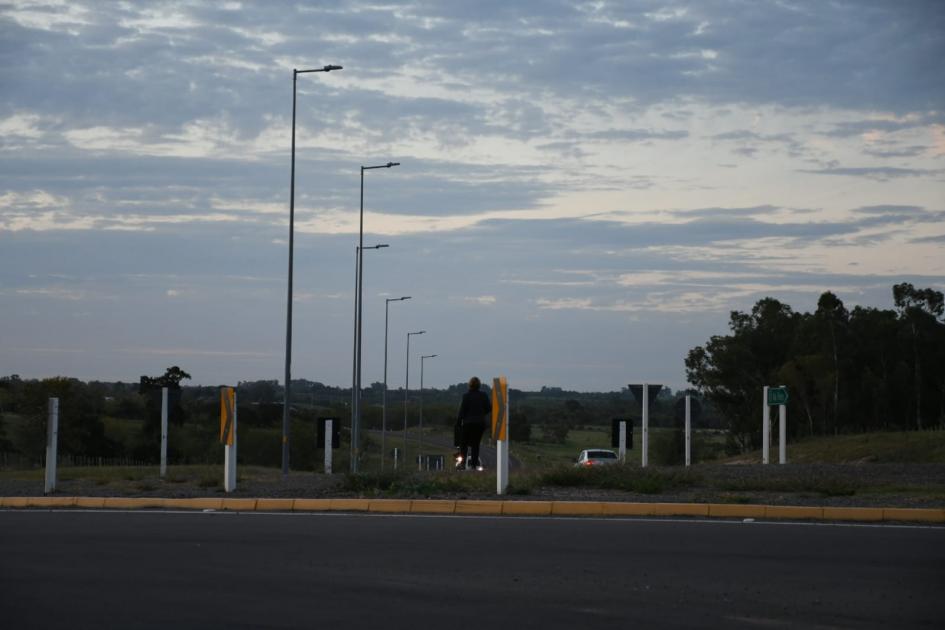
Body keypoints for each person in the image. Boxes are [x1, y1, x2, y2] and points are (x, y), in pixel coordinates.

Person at [456, 376, 491, 470]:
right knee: (475, 444)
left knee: (464, 444)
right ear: (479, 385)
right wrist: (481, 413)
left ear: (469, 385)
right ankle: (474, 466)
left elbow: (462, 412)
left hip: (468, 424)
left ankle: (463, 463)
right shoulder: (483, 395)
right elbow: (489, 408)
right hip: (479, 424)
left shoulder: (466, 396)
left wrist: (458, 423)